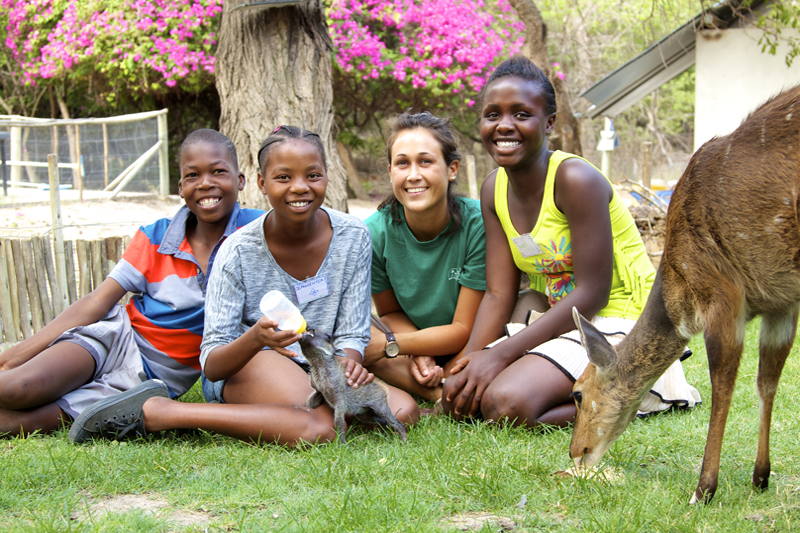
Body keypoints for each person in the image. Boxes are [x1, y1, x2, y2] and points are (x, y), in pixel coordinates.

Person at [72, 125, 419, 446]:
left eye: (312, 175)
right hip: (251, 362)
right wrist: (257, 339)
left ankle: (293, 416)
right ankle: (162, 413)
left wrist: (350, 360)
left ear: (327, 177)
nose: (300, 187)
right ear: (261, 183)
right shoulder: (237, 251)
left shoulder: (353, 236)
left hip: (320, 363)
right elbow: (212, 362)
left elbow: (353, 329)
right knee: (322, 427)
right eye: (283, 177)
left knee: (404, 411)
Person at [443, 56, 700, 426]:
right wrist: (466, 366)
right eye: (492, 114)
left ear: (549, 123)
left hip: (621, 320)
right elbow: (500, 294)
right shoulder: (492, 190)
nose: (504, 126)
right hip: (559, 313)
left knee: (504, 405)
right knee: (467, 398)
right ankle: (569, 385)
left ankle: (640, 392)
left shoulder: (576, 179)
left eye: (520, 114)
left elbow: (592, 294)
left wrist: (498, 357)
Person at [0, 129, 262, 437]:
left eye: (218, 171)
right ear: (180, 187)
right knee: (18, 388)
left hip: (147, 380)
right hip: (114, 339)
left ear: (240, 180)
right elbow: (99, 301)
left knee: (16, 424)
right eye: (193, 175)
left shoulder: (257, 234)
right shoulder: (156, 235)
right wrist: (12, 356)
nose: (205, 183)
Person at [363, 112, 486, 403]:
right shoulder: (374, 232)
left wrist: (392, 345)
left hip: (471, 342)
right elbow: (390, 313)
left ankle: (448, 386)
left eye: (426, 161)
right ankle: (446, 393)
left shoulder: (477, 223)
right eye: (402, 163)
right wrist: (417, 351)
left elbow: (463, 328)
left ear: (452, 169)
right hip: (410, 342)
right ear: (391, 171)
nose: (413, 175)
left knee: (377, 348)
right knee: (358, 334)